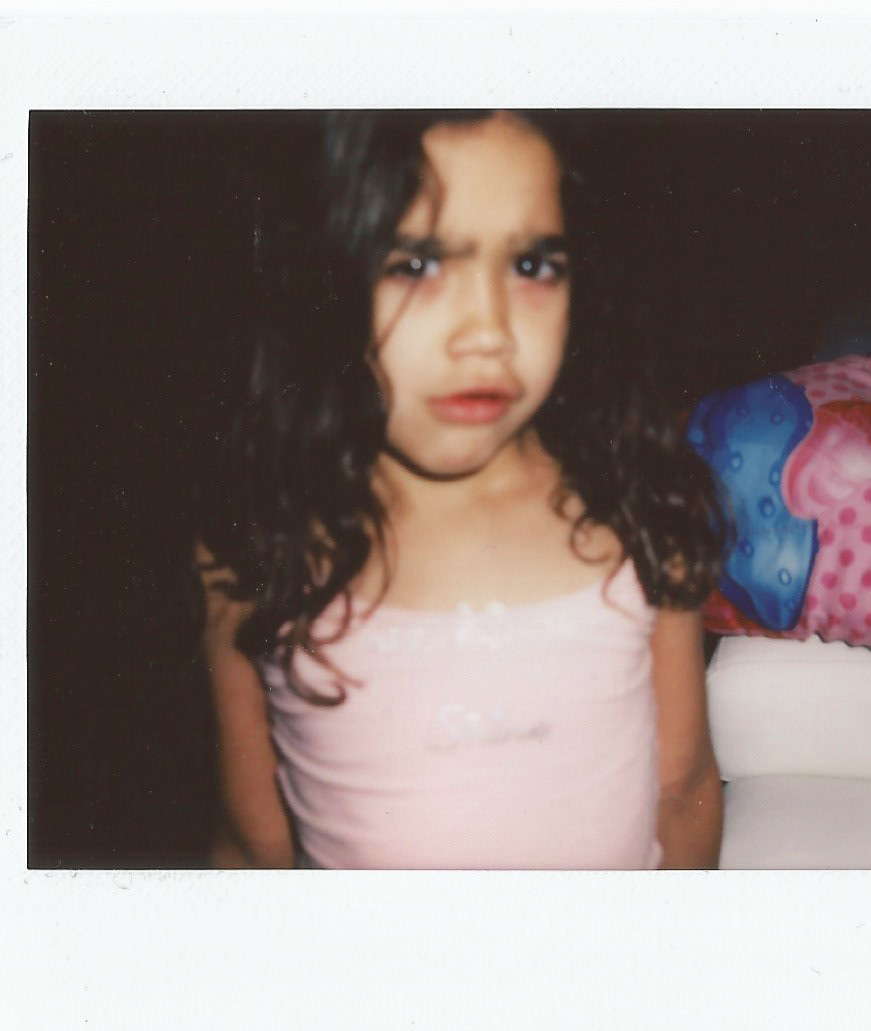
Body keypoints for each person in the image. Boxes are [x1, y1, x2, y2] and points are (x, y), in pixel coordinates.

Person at [196, 110, 726, 870]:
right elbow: (254, 845)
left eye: (532, 265)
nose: (488, 332)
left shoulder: (636, 507)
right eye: (416, 264)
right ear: (319, 275)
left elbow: (682, 789)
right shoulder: (260, 540)